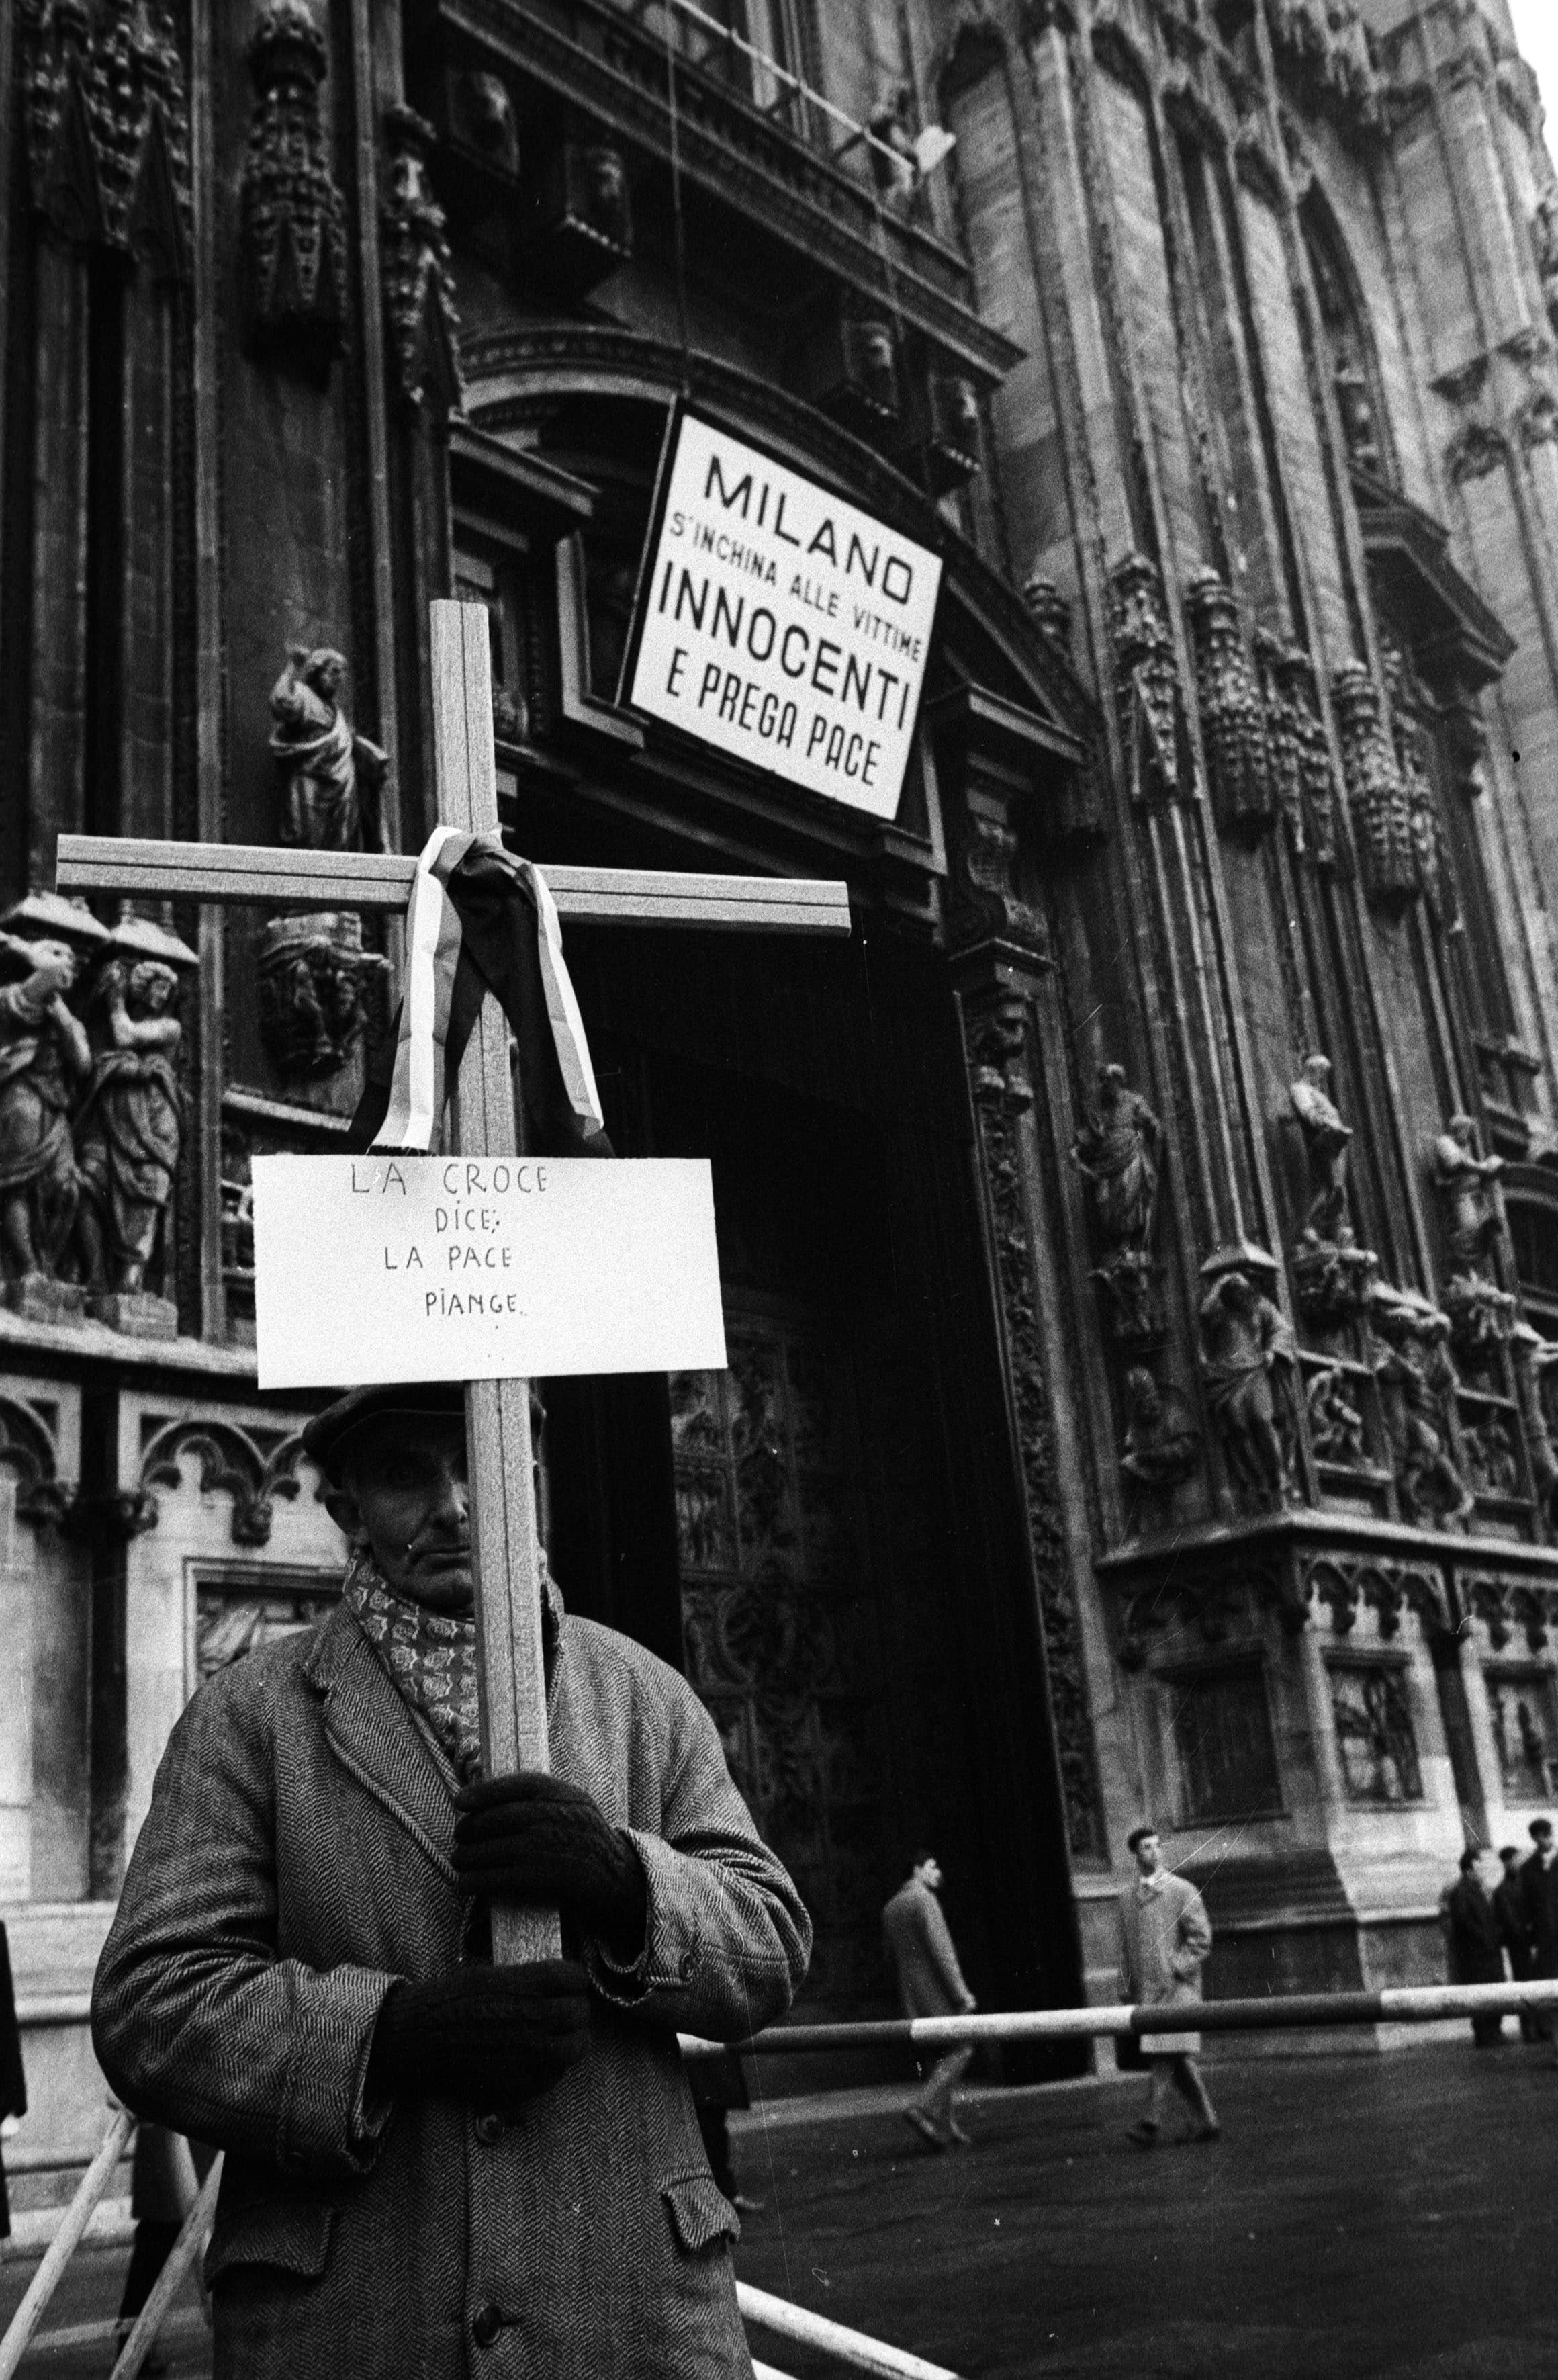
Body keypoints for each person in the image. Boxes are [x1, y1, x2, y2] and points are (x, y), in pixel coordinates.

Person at [91, 1382, 811, 2379]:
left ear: (532, 1476)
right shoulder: (249, 1715)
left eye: (483, 1463)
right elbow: (150, 2006)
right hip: (357, 2322)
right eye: (405, 1473)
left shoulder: (641, 1692)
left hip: (627, 2314)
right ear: (344, 1506)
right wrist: (390, 2036)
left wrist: (626, 1883)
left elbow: (771, 1940)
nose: (455, 1504)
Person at [1117, 1824, 1220, 2148]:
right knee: (1176, 2056)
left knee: (1165, 2055)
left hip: (1179, 1990)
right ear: (1136, 1855)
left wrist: (1175, 1966)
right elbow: (1125, 1947)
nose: (1153, 1852)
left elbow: (1201, 1940)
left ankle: (1151, 2121)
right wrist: (1126, 1985)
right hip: (1148, 1993)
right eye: (1146, 1847)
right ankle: (1207, 2121)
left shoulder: (1182, 1890)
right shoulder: (1126, 1900)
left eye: (1157, 1845)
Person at [882, 1852, 977, 2152]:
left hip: (911, 1993)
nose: (938, 1873)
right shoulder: (924, 1900)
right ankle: (922, 2107)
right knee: (962, 2047)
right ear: (917, 1869)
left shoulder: (891, 1907)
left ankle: (946, 2127)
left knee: (941, 2055)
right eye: (933, 1867)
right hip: (936, 1990)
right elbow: (942, 1951)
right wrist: (961, 1993)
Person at [1444, 1847, 1506, 2044]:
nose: (1482, 1872)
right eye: (1479, 1867)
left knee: (1496, 1991)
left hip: (1489, 1952)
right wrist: (1484, 1939)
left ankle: (1494, 2031)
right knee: (1481, 1995)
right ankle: (1485, 2034)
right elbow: (1463, 1922)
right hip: (1477, 1955)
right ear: (1469, 1869)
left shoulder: (1478, 1889)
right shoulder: (1461, 1892)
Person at [1494, 1845, 1541, 2043]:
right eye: (1515, 1860)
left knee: (1539, 1986)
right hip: (1519, 1948)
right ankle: (1529, 2029)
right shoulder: (1502, 1891)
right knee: (1524, 1988)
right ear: (1506, 1862)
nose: (1518, 1864)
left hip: (1534, 1945)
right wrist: (1528, 1936)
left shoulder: (1525, 1884)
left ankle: (1542, 2027)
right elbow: (1511, 1922)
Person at [1522, 1816, 1558, 2055]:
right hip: (1546, 1944)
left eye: (1543, 1837)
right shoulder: (1529, 1869)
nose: (1540, 1842)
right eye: (1536, 1839)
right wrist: (1533, 1942)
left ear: (1550, 1835)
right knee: (1552, 1997)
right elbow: (1527, 1908)